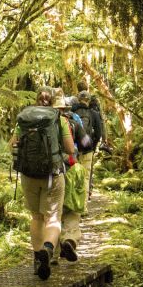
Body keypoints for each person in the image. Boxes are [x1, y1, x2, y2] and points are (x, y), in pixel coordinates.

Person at [10, 87, 76, 280]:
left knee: (36, 217)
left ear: (37, 99)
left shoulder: (24, 119)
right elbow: (70, 149)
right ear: (53, 101)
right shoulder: (59, 119)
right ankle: (48, 248)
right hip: (53, 175)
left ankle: (38, 259)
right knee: (53, 217)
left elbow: (12, 145)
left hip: (29, 175)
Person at [57, 90, 90, 262]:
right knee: (72, 209)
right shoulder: (73, 121)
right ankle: (69, 239)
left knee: (53, 212)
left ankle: (52, 254)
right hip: (70, 167)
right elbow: (86, 142)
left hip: (49, 172)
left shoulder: (41, 122)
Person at [71, 82, 106, 197]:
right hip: (87, 148)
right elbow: (99, 131)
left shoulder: (71, 112)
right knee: (86, 176)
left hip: (74, 148)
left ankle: (75, 203)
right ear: (89, 100)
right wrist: (93, 144)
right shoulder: (94, 113)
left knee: (74, 175)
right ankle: (84, 206)